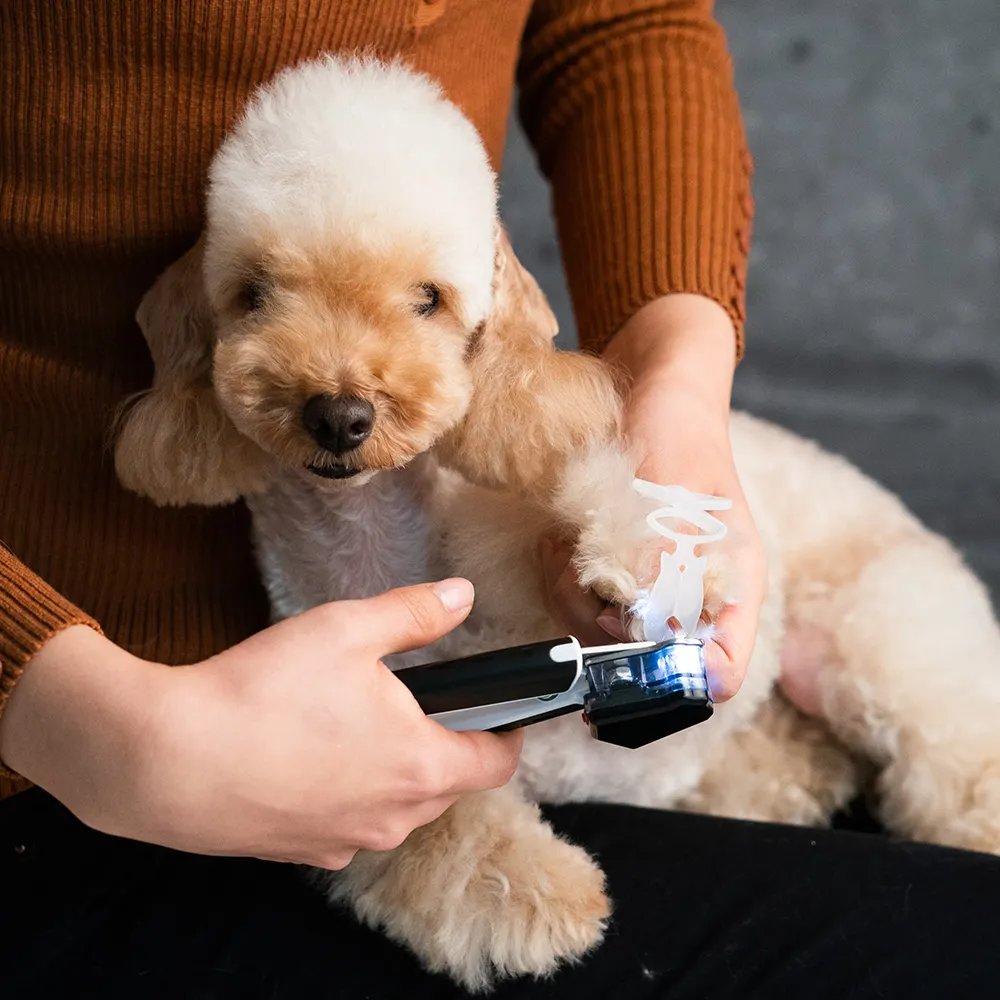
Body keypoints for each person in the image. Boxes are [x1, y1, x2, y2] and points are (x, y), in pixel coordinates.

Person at [2, 2, 998, 998]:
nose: (345, 396)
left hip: (820, 618)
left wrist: (674, 387)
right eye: (263, 296)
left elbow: (625, 21)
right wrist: (81, 718)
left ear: (483, 310)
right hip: (71, 771)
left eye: (423, 300)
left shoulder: (545, 504)